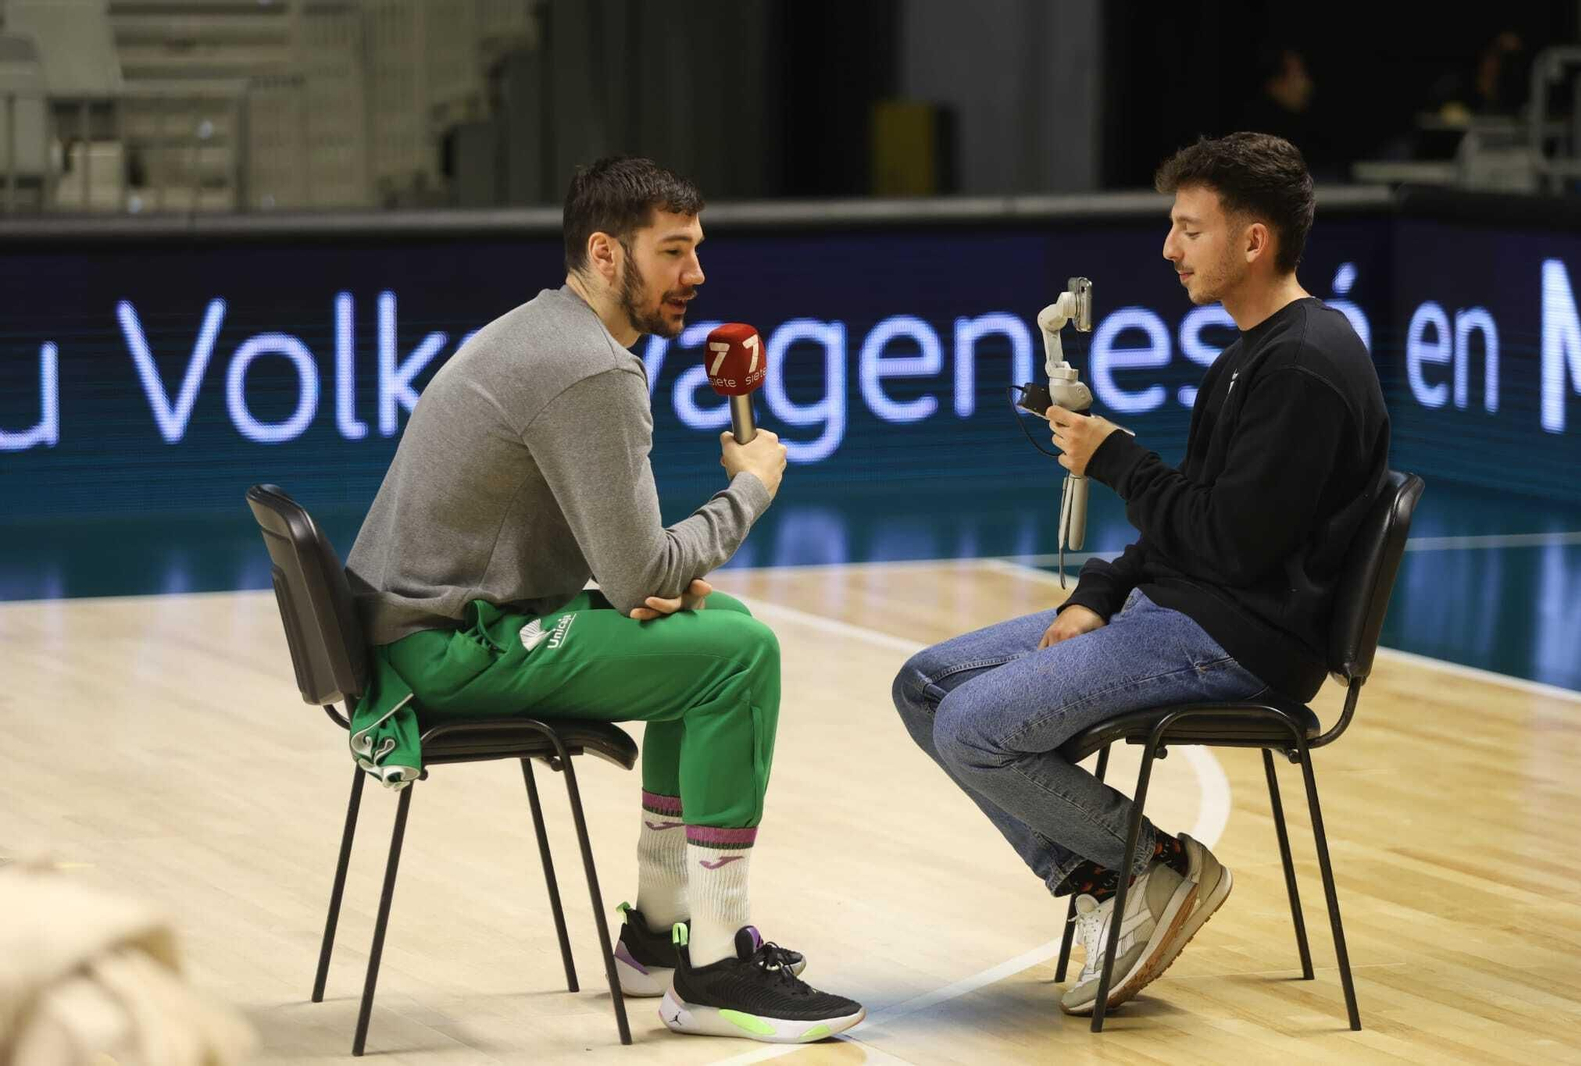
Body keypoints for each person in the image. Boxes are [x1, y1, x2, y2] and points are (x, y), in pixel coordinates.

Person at [344, 156, 863, 1043]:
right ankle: (712, 971)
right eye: (674, 252)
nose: (696, 273)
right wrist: (750, 489)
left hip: (428, 633)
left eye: (698, 249)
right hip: (445, 654)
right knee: (741, 656)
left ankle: (658, 938)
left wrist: (646, 584)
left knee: (718, 627)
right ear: (606, 253)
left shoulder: (548, 331)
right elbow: (641, 575)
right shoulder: (590, 369)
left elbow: (632, 571)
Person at [891, 132, 1389, 1016]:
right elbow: (1195, 524)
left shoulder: (1306, 366)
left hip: (1241, 643)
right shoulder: (1248, 354)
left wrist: (1117, 458)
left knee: (971, 723)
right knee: (926, 685)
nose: (1168, 249)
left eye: (1189, 230)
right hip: (1180, 613)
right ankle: (1099, 875)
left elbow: (1231, 548)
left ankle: (1159, 866)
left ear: (1253, 241)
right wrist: (1099, 591)